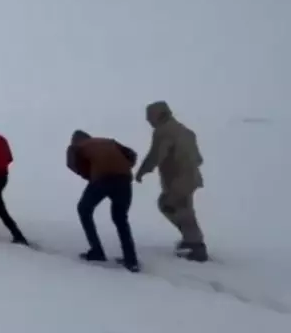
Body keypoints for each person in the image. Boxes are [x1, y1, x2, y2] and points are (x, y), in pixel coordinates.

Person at [136, 101, 207, 262]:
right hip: (191, 177)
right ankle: (192, 241)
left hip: (178, 180)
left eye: (149, 118)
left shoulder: (163, 132)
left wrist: (142, 171)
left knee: (175, 207)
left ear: (158, 115)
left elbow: (156, 155)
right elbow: (199, 158)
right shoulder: (185, 131)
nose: (148, 122)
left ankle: (195, 246)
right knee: (180, 208)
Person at [67, 130, 140, 272]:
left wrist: (90, 175)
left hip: (102, 179)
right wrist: (122, 169)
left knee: (84, 210)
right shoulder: (109, 142)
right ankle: (131, 260)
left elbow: (73, 165)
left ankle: (97, 251)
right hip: (124, 179)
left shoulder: (76, 147)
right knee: (120, 218)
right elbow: (132, 154)